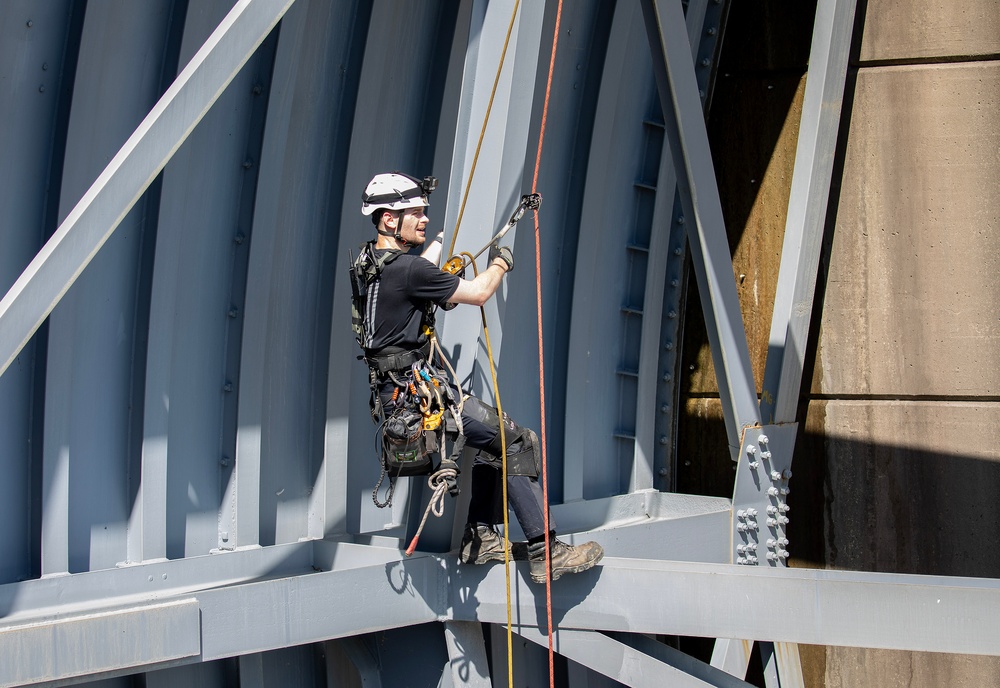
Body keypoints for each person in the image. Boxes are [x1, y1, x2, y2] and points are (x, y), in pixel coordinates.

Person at [351, 171, 603, 583]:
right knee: (518, 441)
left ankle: (479, 537)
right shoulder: (410, 274)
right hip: (419, 400)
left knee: (491, 441)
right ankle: (545, 551)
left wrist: (435, 258)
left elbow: (413, 276)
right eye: (415, 213)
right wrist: (501, 263)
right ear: (389, 220)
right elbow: (479, 292)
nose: (424, 220)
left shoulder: (368, 263)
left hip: (396, 399)